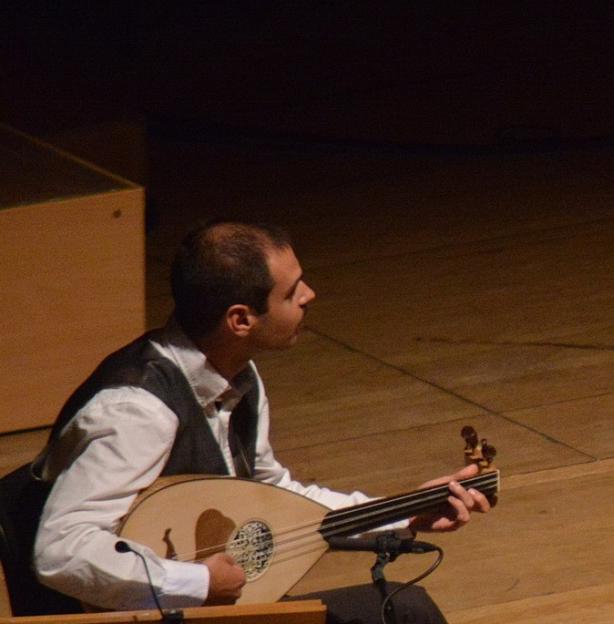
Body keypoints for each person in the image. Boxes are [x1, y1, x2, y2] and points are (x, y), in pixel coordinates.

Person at [2, 220, 488, 623]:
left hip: (199, 609)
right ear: (240, 320)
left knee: (403, 610)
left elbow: (274, 497)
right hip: (131, 614)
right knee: (406, 612)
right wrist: (199, 581)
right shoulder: (138, 412)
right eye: (292, 292)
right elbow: (61, 549)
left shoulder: (238, 377)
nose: (310, 295)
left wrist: (404, 513)